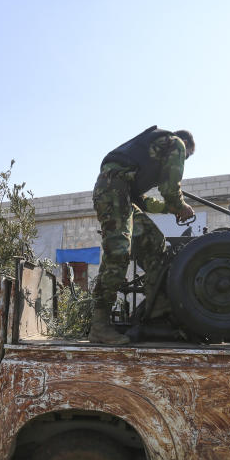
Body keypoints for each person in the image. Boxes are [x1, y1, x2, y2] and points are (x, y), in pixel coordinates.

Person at [88, 126, 197, 344]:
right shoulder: (176, 144)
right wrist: (179, 205)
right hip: (113, 190)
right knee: (119, 251)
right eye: (186, 156)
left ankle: (158, 307)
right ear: (186, 147)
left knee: (153, 240)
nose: (183, 159)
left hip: (123, 194)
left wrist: (171, 208)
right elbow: (170, 189)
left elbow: (145, 202)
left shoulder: (153, 151)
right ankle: (99, 326)